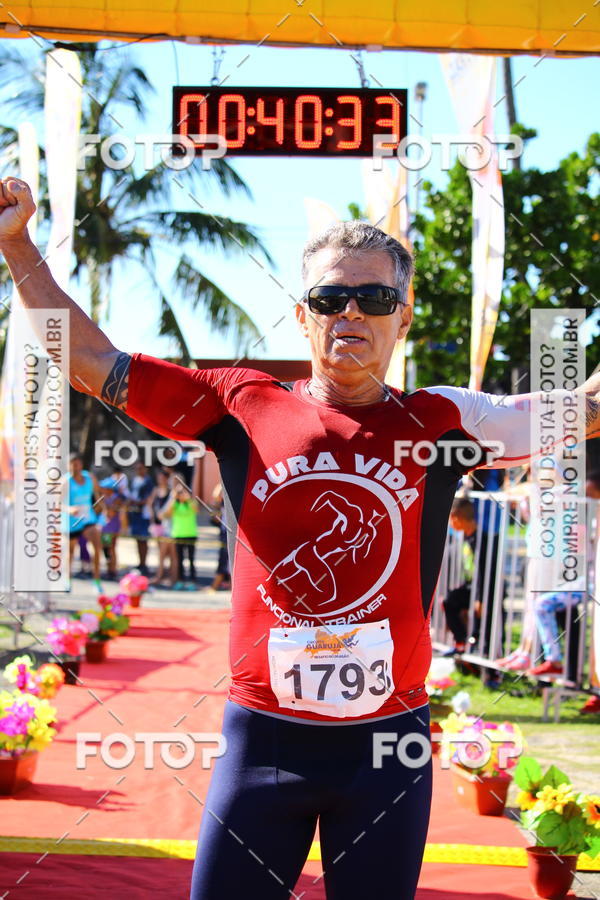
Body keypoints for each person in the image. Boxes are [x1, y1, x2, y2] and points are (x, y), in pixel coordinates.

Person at [2, 178, 600, 900]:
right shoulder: (242, 403)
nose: (351, 313)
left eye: (374, 299)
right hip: (264, 742)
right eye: (329, 299)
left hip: (388, 747)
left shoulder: (444, 420)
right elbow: (91, 363)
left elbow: (586, 409)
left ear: (403, 320)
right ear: (301, 316)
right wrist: (16, 243)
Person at [442, 497, 506, 679]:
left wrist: (480, 599)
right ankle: (461, 642)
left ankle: (492, 673)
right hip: (473, 588)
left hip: (489, 590)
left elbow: (486, 573)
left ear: (457, 518)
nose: (450, 524)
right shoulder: (465, 537)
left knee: (487, 629)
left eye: (451, 519)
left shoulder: (482, 541)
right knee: (450, 601)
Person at [65, 453, 102, 592]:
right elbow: (57, 502)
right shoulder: (66, 481)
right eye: (73, 464)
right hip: (72, 520)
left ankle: (97, 581)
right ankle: (68, 580)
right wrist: (69, 509)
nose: (76, 467)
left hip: (88, 518)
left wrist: (99, 505)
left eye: (78, 464)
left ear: (81, 464)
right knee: (70, 551)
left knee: (96, 546)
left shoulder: (90, 478)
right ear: (69, 465)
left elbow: (96, 495)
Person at [162, 480, 199, 588]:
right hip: (178, 535)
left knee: (191, 559)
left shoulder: (191, 503)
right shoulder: (175, 505)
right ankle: (180, 580)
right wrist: (173, 498)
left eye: (183, 492)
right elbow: (166, 514)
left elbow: (196, 510)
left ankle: (192, 581)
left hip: (191, 534)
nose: (181, 494)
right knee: (180, 559)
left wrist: (188, 498)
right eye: (179, 492)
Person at [148, 468, 176, 587]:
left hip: (167, 525)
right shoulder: (156, 490)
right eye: (159, 478)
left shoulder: (171, 492)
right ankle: (161, 574)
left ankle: (167, 575)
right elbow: (150, 504)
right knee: (160, 551)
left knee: (169, 552)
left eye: (162, 478)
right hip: (157, 524)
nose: (160, 480)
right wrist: (152, 517)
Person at [126, 461, 154, 575]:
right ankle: (140, 563)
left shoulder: (148, 481)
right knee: (137, 539)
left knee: (143, 540)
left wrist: (136, 502)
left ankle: (144, 563)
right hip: (135, 514)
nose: (139, 470)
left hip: (143, 514)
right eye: (137, 468)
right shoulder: (134, 480)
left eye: (141, 468)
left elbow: (148, 498)